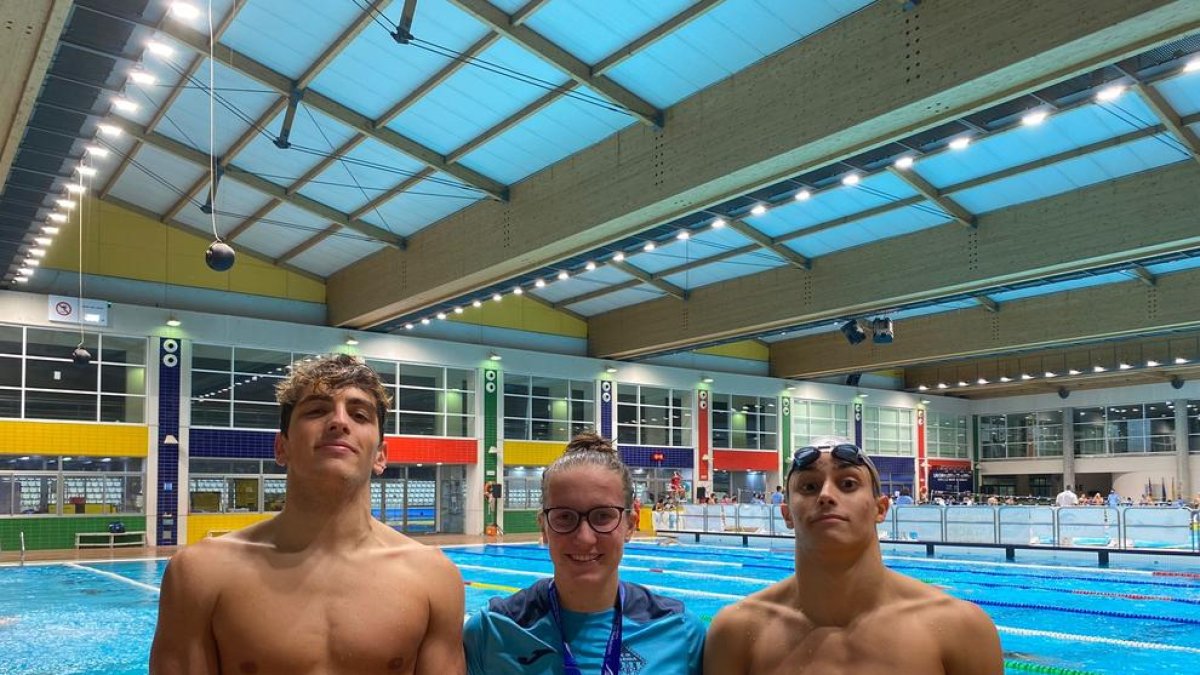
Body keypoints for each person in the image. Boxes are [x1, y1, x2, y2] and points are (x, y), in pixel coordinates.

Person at [150, 354, 465, 675]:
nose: (339, 421)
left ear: (381, 456)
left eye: (359, 414)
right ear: (281, 447)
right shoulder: (200, 575)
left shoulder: (433, 578)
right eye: (317, 410)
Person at [703, 438, 1002, 675]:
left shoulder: (960, 628)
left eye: (848, 484)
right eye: (809, 486)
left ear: (880, 509)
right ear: (787, 514)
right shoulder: (737, 631)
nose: (826, 495)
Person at [464, 433, 705, 674]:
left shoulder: (681, 631)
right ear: (544, 528)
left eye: (603, 516)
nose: (584, 538)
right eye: (564, 517)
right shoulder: (492, 631)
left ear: (630, 525)